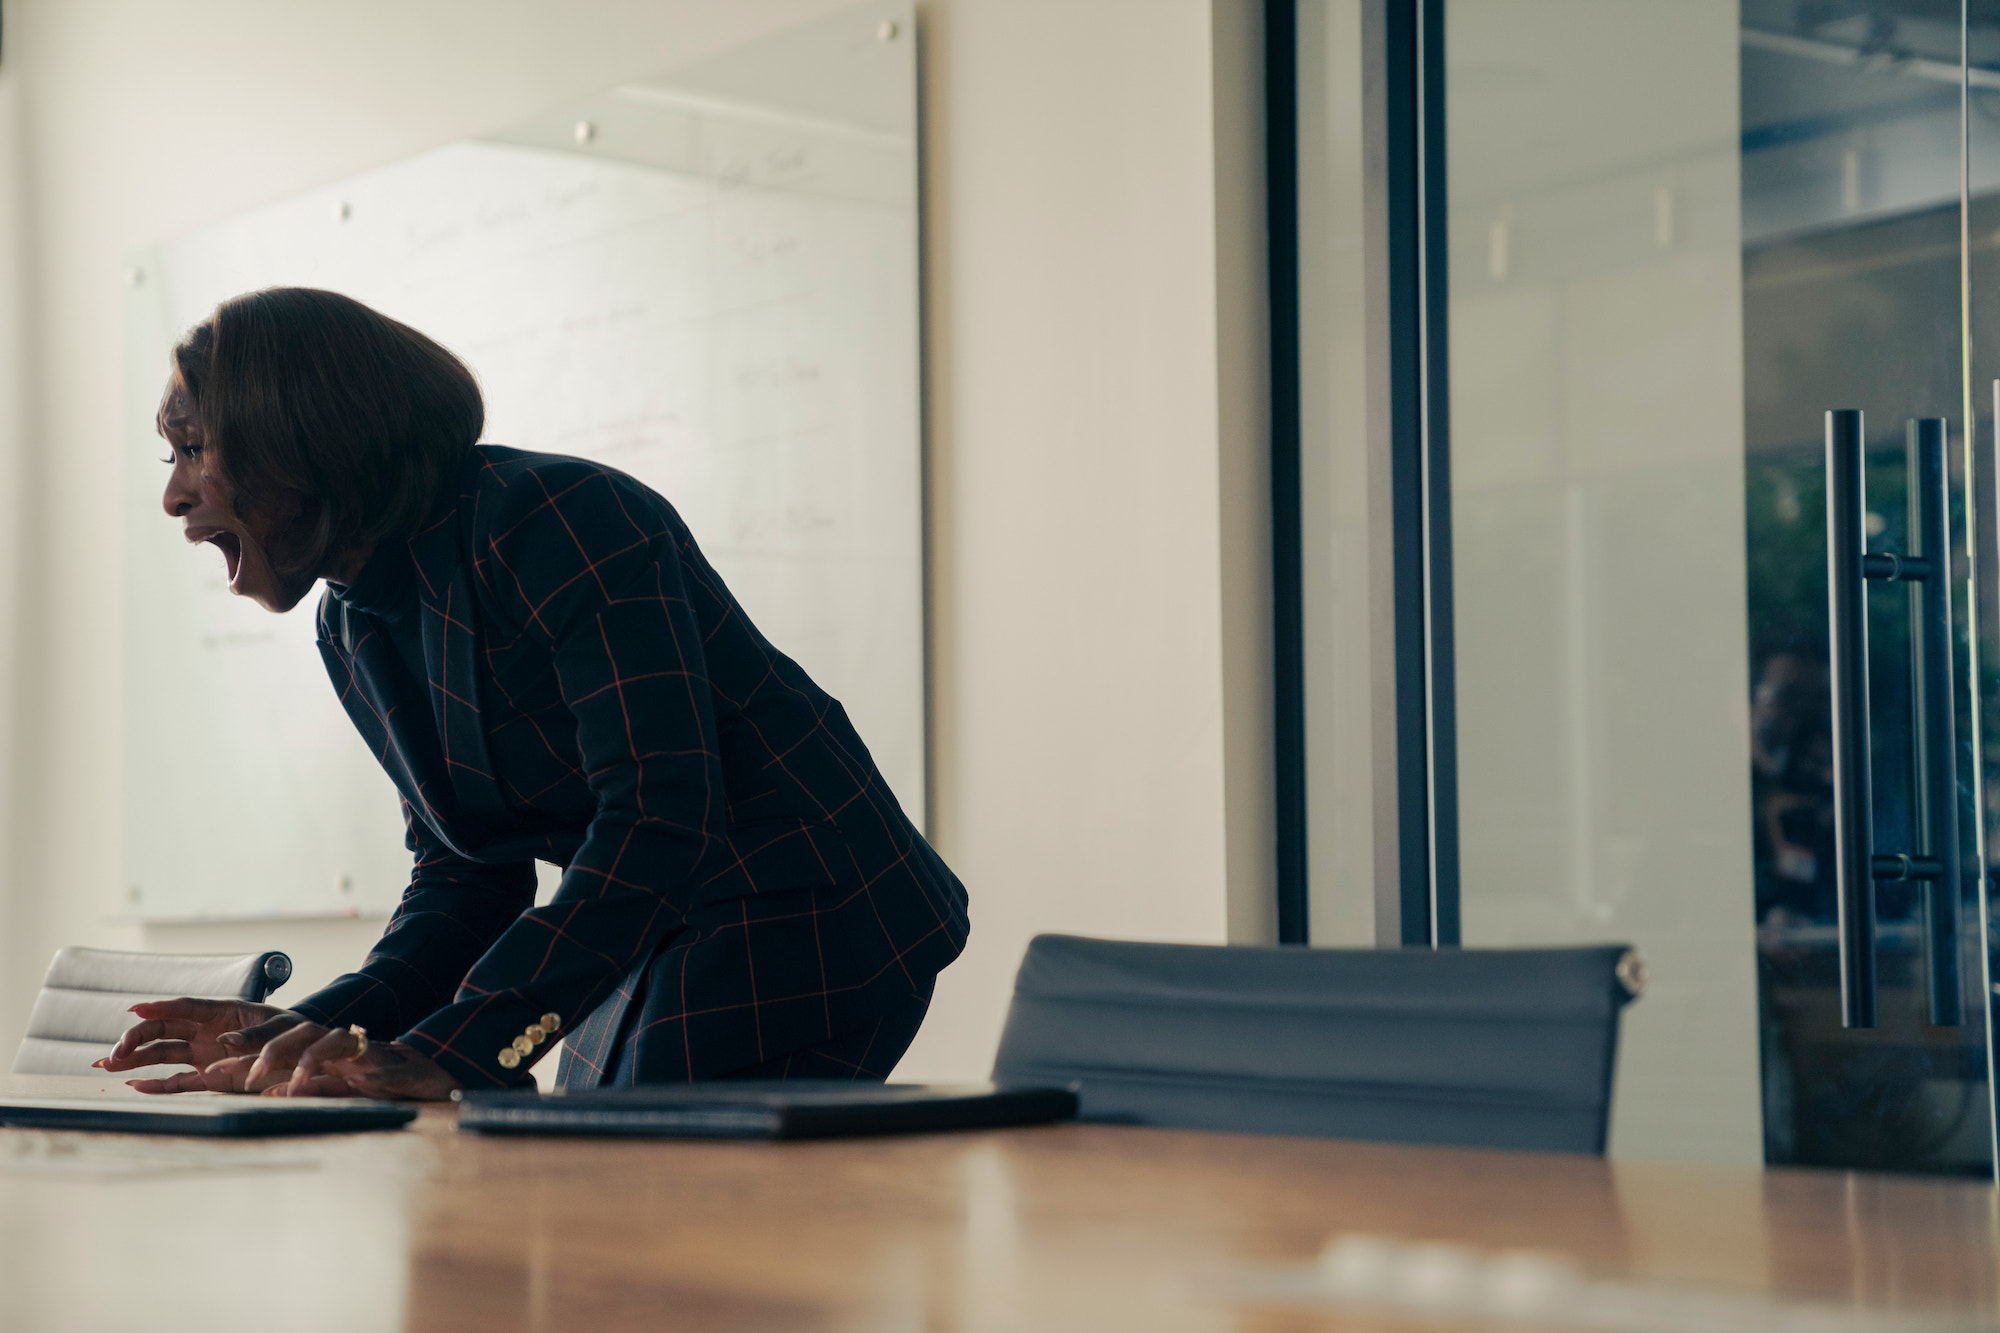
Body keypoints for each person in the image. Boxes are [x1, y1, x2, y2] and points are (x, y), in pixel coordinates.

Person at [99, 288, 968, 1100]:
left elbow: (658, 817)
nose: (174, 494)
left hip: (813, 903)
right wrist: (316, 1023)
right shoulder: (351, 623)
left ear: (301, 437)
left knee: (609, 1199)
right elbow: (466, 873)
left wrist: (452, 1045)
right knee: (566, 1189)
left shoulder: (558, 517)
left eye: (195, 450)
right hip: (657, 918)